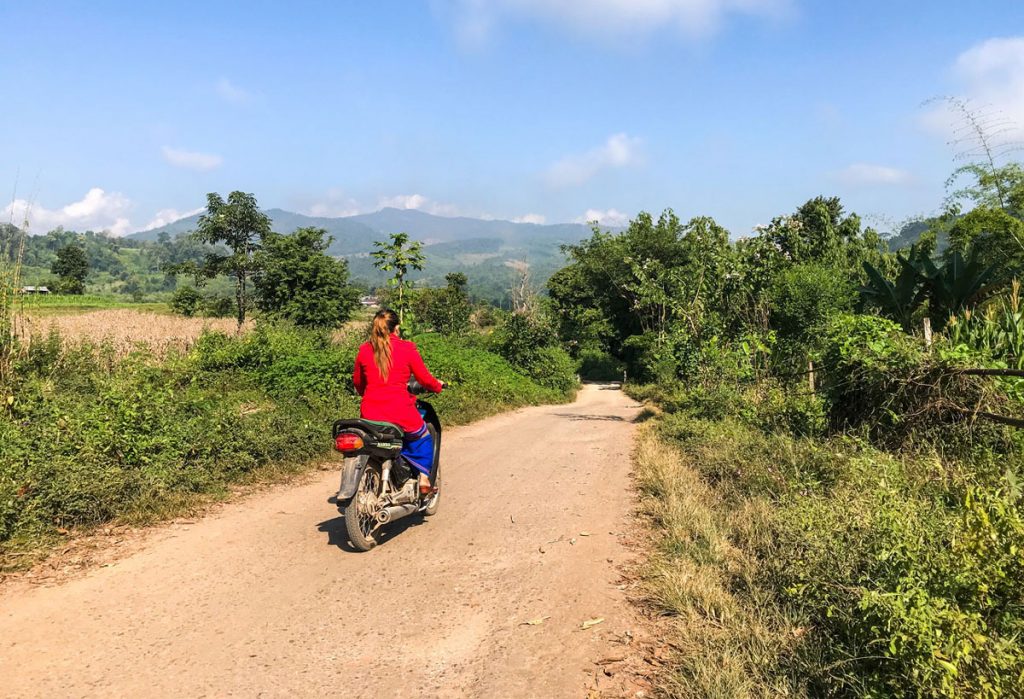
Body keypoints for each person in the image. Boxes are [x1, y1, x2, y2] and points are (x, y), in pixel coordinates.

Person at [352, 308, 444, 494]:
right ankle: (424, 478)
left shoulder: (364, 350)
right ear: (397, 328)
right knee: (422, 437)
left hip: (370, 413)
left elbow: (358, 383)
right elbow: (425, 379)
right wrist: (438, 386)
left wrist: (369, 395)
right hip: (400, 411)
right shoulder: (406, 348)